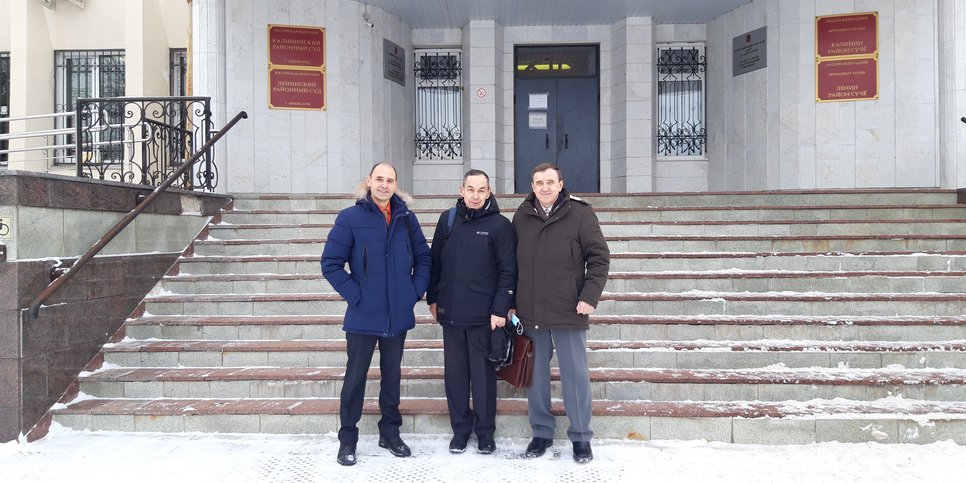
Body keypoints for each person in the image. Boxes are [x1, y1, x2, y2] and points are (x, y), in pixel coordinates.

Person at [321, 162, 432, 467]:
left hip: (397, 314)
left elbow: (424, 258)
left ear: (396, 185)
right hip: (363, 314)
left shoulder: (407, 219)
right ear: (369, 181)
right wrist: (356, 295)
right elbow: (330, 263)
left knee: (392, 377)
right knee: (355, 378)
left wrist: (413, 292)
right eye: (379, 179)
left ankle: (390, 432)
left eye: (390, 180)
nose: (384, 185)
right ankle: (347, 438)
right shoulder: (350, 218)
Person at [511, 162, 609, 464]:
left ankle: (581, 437)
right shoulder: (521, 216)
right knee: (536, 378)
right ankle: (541, 433)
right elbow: (511, 265)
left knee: (575, 377)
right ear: (532, 186)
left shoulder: (580, 214)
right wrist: (510, 302)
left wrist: (589, 297)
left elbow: (599, 258)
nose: (544, 187)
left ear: (561, 183)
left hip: (569, 310)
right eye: (538, 182)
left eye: (550, 182)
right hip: (531, 313)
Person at [426, 169, 517, 455]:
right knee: (454, 377)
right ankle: (460, 431)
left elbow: (508, 271)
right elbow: (435, 263)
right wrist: (433, 299)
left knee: (483, 379)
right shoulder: (448, 220)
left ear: (489, 192)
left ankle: (485, 432)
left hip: (484, 318)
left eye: (482, 190)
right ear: (461, 190)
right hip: (451, 313)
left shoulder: (500, 226)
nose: (476, 195)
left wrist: (500, 308)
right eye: (471, 189)